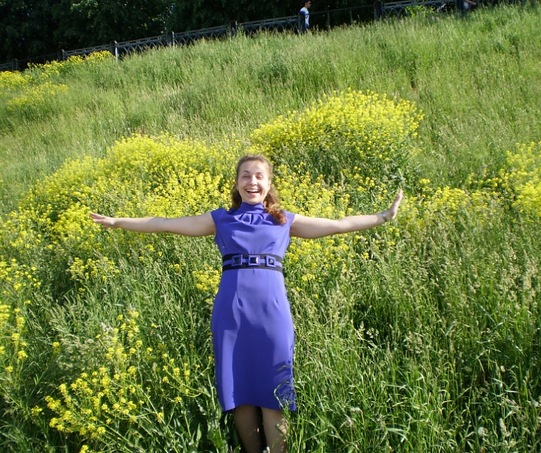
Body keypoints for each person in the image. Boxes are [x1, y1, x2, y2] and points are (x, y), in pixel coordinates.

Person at [90, 154, 403, 453]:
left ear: (269, 183)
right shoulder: (220, 219)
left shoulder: (285, 220)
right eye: (245, 176)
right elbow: (164, 223)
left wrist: (384, 216)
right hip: (232, 312)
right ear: (237, 182)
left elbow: (339, 223)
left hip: (273, 313)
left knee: (274, 392)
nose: (252, 182)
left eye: (259, 176)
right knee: (239, 394)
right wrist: (118, 222)